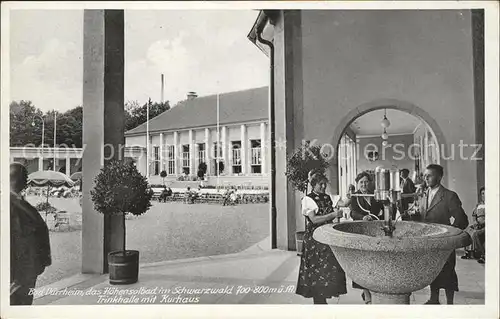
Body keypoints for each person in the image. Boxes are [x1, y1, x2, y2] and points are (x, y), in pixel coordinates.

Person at [415, 164, 469, 305]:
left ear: (439, 177)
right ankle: (434, 299)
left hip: (444, 242)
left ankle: (450, 304)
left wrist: (449, 234)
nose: (426, 178)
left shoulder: (449, 196)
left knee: (448, 272)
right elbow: (423, 216)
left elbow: (462, 220)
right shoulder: (424, 194)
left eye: (429, 175)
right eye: (424, 175)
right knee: (432, 270)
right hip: (429, 240)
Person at [296, 172, 347, 304]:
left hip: (327, 238)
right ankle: (319, 302)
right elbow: (314, 219)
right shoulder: (308, 199)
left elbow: (345, 202)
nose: (324, 186)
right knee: (316, 271)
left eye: (325, 184)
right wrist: (333, 215)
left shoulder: (329, 197)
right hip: (315, 240)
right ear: (313, 185)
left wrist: (351, 193)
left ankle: (322, 301)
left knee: (328, 270)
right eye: (321, 184)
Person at [10, 163, 52, 305]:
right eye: (25, 177)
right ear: (15, 179)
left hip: (28, 270)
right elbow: (13, 240)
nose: (27, 181)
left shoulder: (21, 204)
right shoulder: (9, 205)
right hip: (18, 274)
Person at [348, 171, 384, 304]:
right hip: (360, 231)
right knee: (362, 264)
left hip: (374, 231)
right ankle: (367, 293)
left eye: (366, 182)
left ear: (370, 183)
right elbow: (353, 212)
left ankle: (371, 289)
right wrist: (362, 217)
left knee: (373, 263)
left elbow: (381, 209)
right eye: (361, 182)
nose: (364, 184)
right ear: (358, 183)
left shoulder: (375, 194)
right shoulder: (355, 196)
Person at [462, 187, 485, 263]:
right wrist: (475, 222)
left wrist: (482, 223)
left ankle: (482, 254)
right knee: (467, 231)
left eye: (486, 194)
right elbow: (474, 214)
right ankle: (469, 253)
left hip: (486, 225)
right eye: (482, 194)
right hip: (478, 224)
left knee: (476, 234)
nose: (484, 195)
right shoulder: (479, 205)